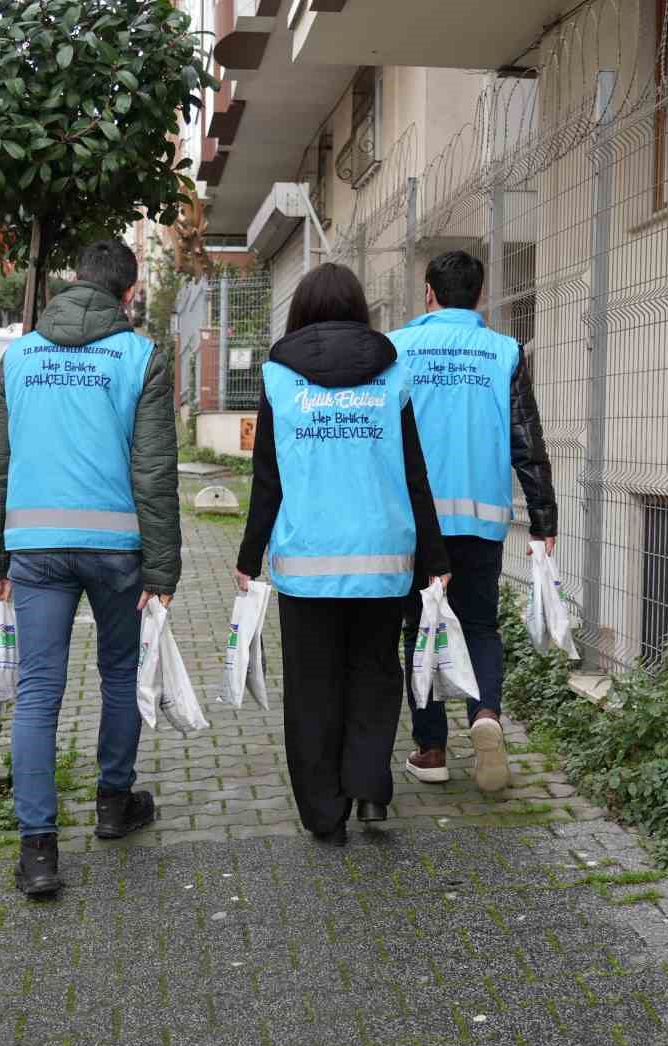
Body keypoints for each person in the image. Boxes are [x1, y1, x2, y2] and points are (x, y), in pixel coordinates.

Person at [0, 240, 181, 898]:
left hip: (34, 546)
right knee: (119, 674)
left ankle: (38, 852)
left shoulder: (18, 355)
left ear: (72, 284)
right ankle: (114, 806)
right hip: (116, 545)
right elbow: (153, 471)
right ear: (127, 295)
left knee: (38, 692)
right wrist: (162, 568)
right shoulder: (140, 355)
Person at [235, 263, 449, 845]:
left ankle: (324, 815)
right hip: (383, 562)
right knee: (374, 678)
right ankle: (371, 791)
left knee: (311, 689)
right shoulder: (392, 374)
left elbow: (268, 479)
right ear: (359, 308)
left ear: (300, 310)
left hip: (306, 565)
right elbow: (413, 472)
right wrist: (435, 556)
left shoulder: (280, 378)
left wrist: (249, 557)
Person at [388, 251, 558, 793]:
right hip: (482, 521)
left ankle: (431, 749)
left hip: (417, 521)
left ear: (429, 292)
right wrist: (542, 517)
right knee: (480, 624)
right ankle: (486, 715)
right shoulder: (504, 351)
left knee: (421, 629)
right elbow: (525, 440)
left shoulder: (397, 348)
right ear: (480, 296)